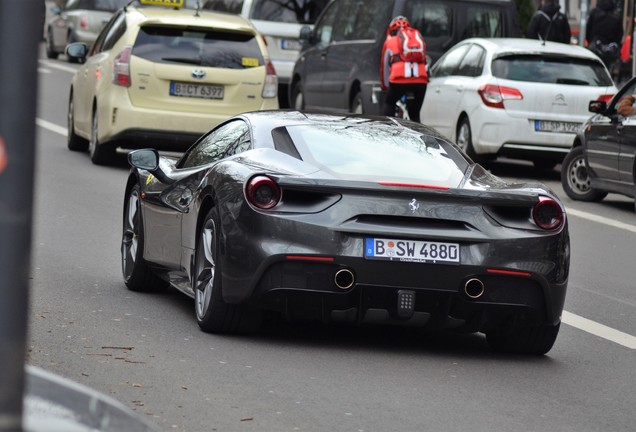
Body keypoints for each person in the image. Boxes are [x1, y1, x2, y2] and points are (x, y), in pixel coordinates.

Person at [380, 16, 428, 122]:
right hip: (420, 82)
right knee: (415, 115)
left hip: (398, 81)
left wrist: (385, 87)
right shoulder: (418, 40)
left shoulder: (390, 42)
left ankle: (388, 129)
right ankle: (417, 133)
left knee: (389, 103)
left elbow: (384, 68)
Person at [586, 0, 623, 69]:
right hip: (609, 50)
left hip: (595, 46)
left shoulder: (594, 13)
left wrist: (590, 41)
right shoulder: (616, 17)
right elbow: (619, 35)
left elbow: (588, 30)